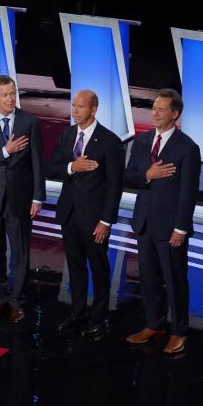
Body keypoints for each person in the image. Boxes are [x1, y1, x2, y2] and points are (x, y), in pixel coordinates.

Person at [124, 89, 200, 355]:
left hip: (170, 228)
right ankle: (154, 323)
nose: (154, 113)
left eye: (161, 109)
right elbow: (129, 177)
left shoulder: (187, 148)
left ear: (175, 114)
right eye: (153, 108)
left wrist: (180, 227)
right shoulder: (143, 141)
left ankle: (179, 331)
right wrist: (148, 174)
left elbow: (188, 192)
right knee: (148, 279)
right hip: (144, 222)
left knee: (175, 279)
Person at [46, 89, 124, 337]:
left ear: (94, 109)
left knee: (99, 268)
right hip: (69, 214)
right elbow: (53, 168)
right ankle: (77, 312)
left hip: (95, 220)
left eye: (81, 107)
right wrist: (72, 166)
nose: (75, 110)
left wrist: (106, 221)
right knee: (75, 267)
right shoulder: (68, 134)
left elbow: (115, 186)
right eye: (74, 106)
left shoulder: (110, 141)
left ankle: (98, 316)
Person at [0, 74, 46, 324]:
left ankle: (17, 302)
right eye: (5, 94)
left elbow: (37, 162)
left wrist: (38, 197)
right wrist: (6, 151)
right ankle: (0, 298)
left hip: (20, 198)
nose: (11, 98)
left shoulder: (29, 121)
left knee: (20, 252)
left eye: (13, 93)